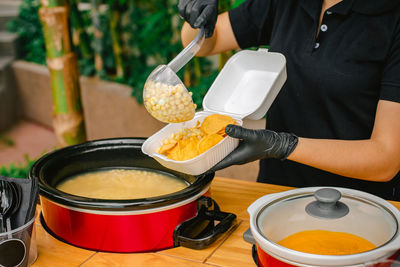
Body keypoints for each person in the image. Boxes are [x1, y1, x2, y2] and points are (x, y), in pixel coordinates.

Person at [178, 0, 400, 200]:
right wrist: (197, 18)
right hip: (276, 194)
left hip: (361, 206)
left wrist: (284, 146)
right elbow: (207, 44)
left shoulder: (391, 17)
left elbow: (386, 159)